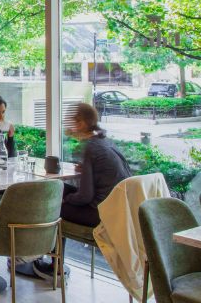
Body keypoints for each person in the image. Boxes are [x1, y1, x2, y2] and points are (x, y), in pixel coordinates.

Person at [32, 103, 132, 280]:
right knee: (60, 189)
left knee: (53, 207)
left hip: (100, 213)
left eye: (72, 121)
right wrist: (85, 172)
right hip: (117, 210)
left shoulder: (90, 148)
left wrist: (66, 200)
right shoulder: (104, 141)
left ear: (82, 123)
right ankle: (49, 259)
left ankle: (55, 266)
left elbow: (85, 196)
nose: (68, 125)